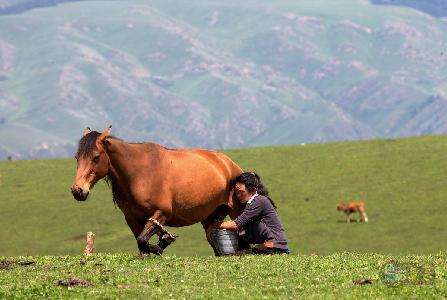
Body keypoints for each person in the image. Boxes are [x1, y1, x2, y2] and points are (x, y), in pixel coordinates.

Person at [208, 172, 289, 255]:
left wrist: (216, 225)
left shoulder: (259, 201)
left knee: (231, 258)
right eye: (236, 192)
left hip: (274, 247)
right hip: (268, 246)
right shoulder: (251, 202)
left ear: (253, 190)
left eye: (242, 192)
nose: (238, 195)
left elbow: (236, 224)